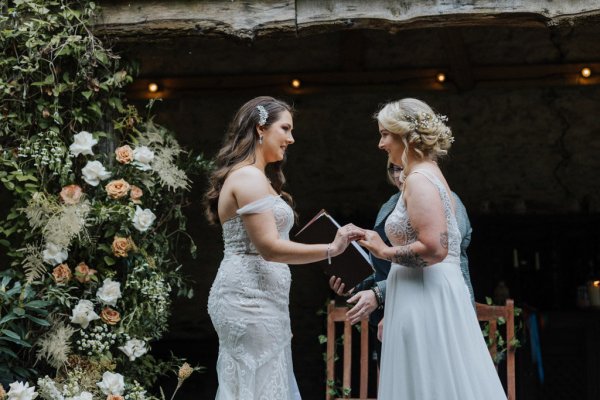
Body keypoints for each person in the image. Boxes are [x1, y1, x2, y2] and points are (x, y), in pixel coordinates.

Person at [204, 96, 363, 400]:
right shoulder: (248, 177)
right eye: (285, 128)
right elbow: (270, 249)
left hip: (265, 300)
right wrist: (332, 248)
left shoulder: (258, 178)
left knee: (268, 381)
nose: (291, 138)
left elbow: (281, 246)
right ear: (260, 128)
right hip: (248, 301)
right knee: (258, 383)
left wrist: (335, 261)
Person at [353, 98, 506, 399]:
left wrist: (383, 250)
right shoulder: (427, 174)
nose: (381, 143)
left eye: (385, 134)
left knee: (429, 381)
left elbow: (435, 248)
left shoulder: (419, 179)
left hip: (423, 294)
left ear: (405, 135)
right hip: (417, 291)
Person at [330, 160, 474, 367]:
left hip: (428, 308)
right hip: (388, 313)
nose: (398, 176)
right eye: (393, 169)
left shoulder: (449, 202)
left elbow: (435, 263)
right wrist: (356, 283)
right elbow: (385, 264)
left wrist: (380, 293)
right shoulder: (390, 205)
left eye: (403, 169)